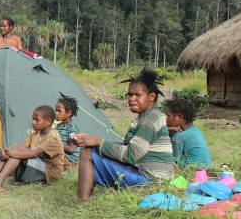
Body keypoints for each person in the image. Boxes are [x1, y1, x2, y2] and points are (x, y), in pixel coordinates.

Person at [74, 68, 173, 202]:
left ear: (151, 96)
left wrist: (97, 141)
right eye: (130, 95)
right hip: (153, 178)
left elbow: (130, 155)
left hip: (152, 181)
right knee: (93, 151)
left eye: (137, 95)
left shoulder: (151, 118)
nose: (132, 99)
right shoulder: (146, 117)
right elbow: (127, 146)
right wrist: (92, 142)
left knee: (87, 154)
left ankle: (82, 202)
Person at [0, 105, 64, 192]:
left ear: (48, 121)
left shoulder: (53, 137)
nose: (33, 122)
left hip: (49, 172)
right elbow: (22, 147)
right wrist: (5, 151)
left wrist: (11, 153)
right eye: (33, 119)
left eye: (37, 120)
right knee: (15, 147)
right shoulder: (36, 133)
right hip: (36, 167)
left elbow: (34, 154)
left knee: (16, 152)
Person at [165, 98, 212, 170]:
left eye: (168, 116)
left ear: (179, 117)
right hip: (206, 172)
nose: (166, 119)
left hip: (191, 175)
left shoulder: (179, 137)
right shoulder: (196, 131)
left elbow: (172, 165)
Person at [54, 96, 80, 167]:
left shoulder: (72, 128)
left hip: (69, 158)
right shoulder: (59, 126)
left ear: (69, 113)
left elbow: (71, 149)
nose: (56, 113)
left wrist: (55, 144)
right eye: (56, 110)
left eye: (59, 111)